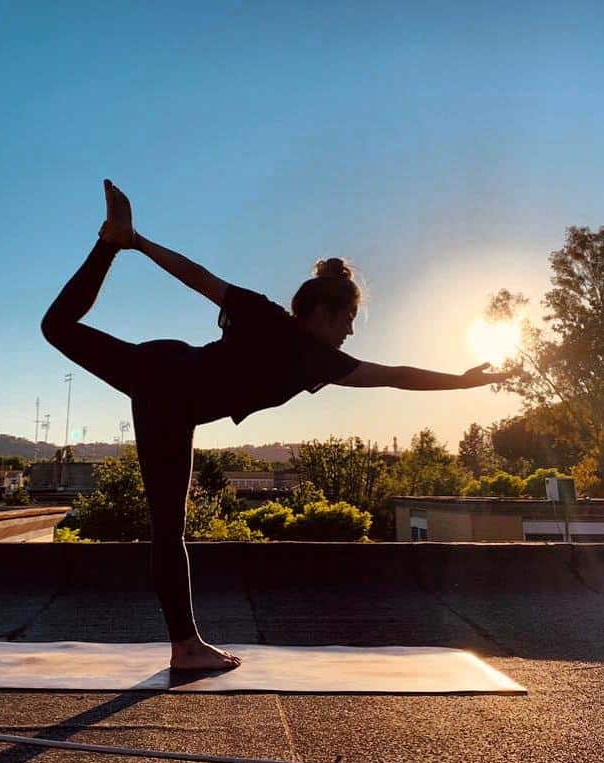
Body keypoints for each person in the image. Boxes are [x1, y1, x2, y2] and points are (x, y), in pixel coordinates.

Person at [41, 179, 509, 671]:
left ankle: (110, 243)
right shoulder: (314, 358)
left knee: (57, 328)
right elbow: (392, 376)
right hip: (165, 391)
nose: (350, 330)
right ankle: (186, 647)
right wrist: (460, 382)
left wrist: (137, 243)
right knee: (168, 531)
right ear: (324, 314)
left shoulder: (273, 322)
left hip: (160, 376)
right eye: (348, 318)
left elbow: (197, 277)